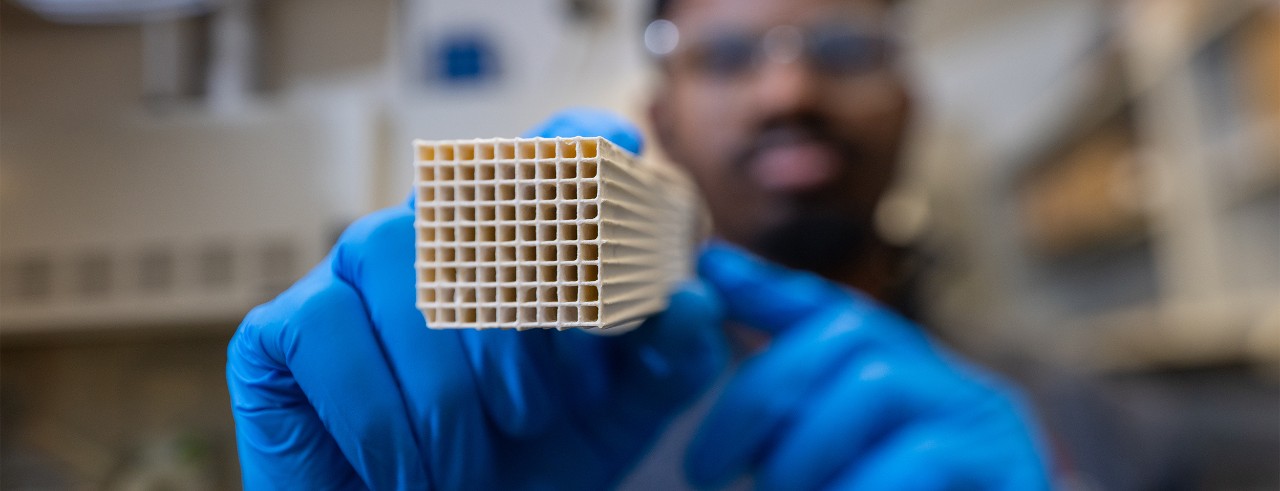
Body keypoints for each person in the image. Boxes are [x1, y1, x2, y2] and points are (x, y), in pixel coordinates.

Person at [226, 0, 1053, 488]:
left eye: (840, 48)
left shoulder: (1080, 425)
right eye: (726, 56)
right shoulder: (553, 418)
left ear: (908, 101)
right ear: (659, 115)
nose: (789, 89)